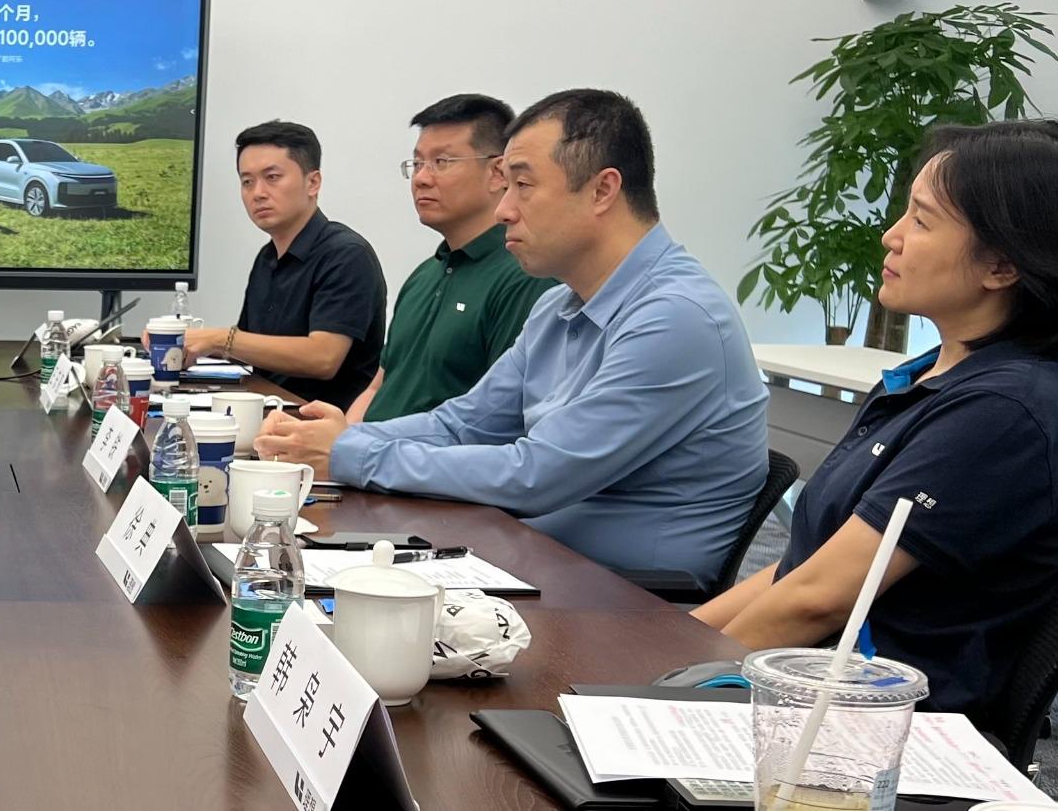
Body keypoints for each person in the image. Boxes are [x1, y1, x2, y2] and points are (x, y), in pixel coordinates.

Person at [694, 120, 1058, 715]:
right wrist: (674, 644)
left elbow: (818, 601)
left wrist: (656, 679)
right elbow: (800, 574)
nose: (891, 237)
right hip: (805, 687)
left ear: (1002, 266)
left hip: (866, 728)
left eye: (921, 221)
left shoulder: (1003, 413)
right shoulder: (927, 378)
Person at [255, 90, 766, 585]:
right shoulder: (558, 305)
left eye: (523, 186)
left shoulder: (676, 318)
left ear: (602, 191)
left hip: (630, 602)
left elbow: (538, 474)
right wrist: (333, 442)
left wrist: (352, 455)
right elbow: (463, 424)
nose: (503, 210)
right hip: (528, 556)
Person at [348, 94, 556, 423]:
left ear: (498, 172)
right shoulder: (424, 274)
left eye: (441, 162)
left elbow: (499, 421)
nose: (421, 178)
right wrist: (340, 443)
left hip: (421, 467)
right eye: (417, 163)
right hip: (364, 461)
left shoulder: (524, 275)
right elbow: (379, 387)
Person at [182, 120, 388, 408]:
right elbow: (249, 346)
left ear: (312, 182)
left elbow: (323, 358)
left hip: (318, 426)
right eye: (247, 181)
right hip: (266, 411)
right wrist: (189, 341)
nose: (258, 193)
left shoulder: (346, 255)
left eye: (273, 177)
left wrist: (218, 339)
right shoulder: (267, 257)